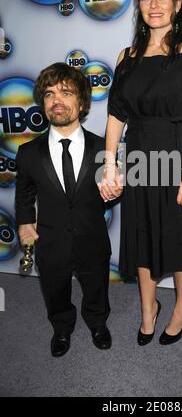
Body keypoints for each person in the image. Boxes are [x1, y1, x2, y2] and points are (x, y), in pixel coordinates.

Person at [99, 0, 182, 346]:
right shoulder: (127, 57)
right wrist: (110, 164)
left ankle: (181, 309)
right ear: (139, 4)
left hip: (180, 161)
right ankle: (148, 310)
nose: (154, 4)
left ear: (177, 4)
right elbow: (117, 116)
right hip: (140, 163)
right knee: (142, 237)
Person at [15, 63, 116, 357]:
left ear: (82, 103)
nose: (56, 100)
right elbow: (24, 192)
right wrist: (24, 222)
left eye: (66, 93)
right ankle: (61, 327)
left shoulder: (104, 150)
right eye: (49, 94)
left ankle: (97, 323)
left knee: (96, 286)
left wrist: (117, 189)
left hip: (92, 237)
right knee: (55, 289)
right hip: (51, 239)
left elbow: (114, 189)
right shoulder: (28, 153)